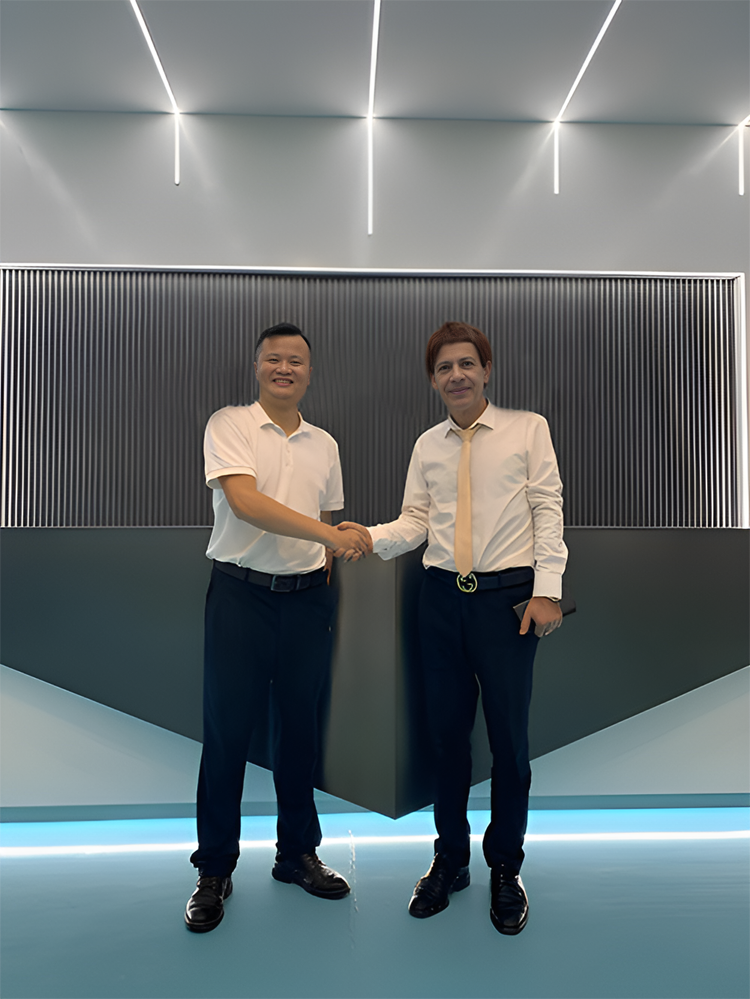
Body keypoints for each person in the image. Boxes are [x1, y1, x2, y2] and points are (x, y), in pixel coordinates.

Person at [339, 321, 567, 935]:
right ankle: (451, 860)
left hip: (507, 603)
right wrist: (369, 538)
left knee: (509, 743)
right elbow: (416, 520)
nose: (457, 375)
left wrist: (547, 589)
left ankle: (505, 867)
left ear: (486, 370)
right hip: (440, 600)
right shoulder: (427, 445)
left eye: (467, 364)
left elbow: (547, 508)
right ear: (433, 380)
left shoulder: (528, 429)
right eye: (444, 367)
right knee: (445, 739)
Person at [184, 322, 369, 933]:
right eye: (274, 359)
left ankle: (296, 855)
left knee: (300, 733)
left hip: (308, 602)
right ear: (258, 366)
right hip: (241, 598)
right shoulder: (230, 424)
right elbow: (246, 503)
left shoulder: (325, 444)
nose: (284, 368)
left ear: (310, 373)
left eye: (296, 361)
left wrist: (326, 558)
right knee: (227, 735)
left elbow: (327, 518)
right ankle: (214, 869)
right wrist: (329, 537)